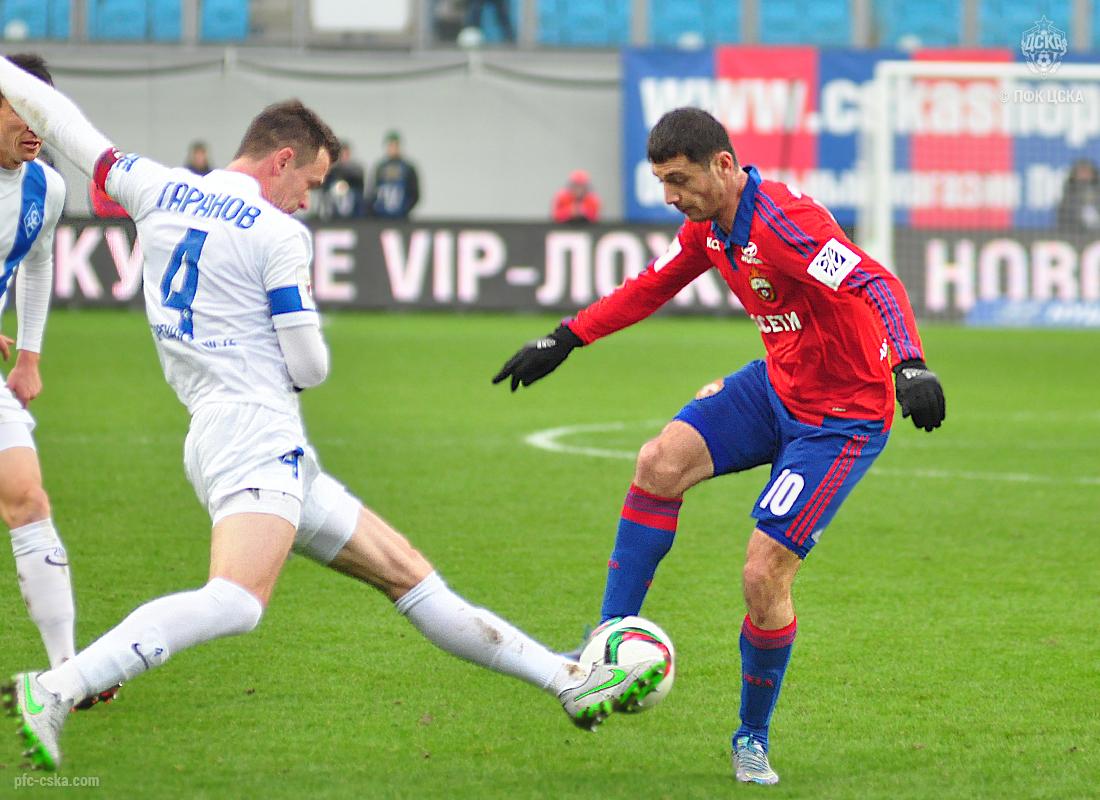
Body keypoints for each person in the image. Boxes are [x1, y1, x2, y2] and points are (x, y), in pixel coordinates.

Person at [0, 62, 666, 771]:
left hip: (224, 431)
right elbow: (310, 365)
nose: (306, 201)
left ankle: (567, 680)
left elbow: (64, 123)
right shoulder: (277, 233)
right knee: (236, 600)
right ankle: (56, 686)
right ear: (282, 160)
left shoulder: (154, 186)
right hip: (255, 431)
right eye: (311, 183)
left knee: (410, 578)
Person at [493, 107, 946, 785]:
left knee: (763, 576)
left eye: (679, 180)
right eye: (662, 182)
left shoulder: (784, 222)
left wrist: (910, 363)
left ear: (724, 166)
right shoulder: (710, 230)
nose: (671, 196)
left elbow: (875, 280)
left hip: (842, 418)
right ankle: (608, 645)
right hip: (777, 387)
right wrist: (566, 337)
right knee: (658, 463)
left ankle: (750, 738)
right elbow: (650, 286)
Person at [0, 53, 84, 696]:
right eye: (23, 111)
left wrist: (30, 354)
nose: (36, 128)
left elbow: (36, 261)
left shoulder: (45, 188)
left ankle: (67, 672)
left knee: (28, 500)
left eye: (43, 114)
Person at [367, 131, 419, 219]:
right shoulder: (380, 168)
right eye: (391, 145)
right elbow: (373, 191)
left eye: (396, 145)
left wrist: (405, 209)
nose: (393, 148)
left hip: (401, 217)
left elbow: (415, 194)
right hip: (381, 217)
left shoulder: (408, 168)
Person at [320, 139, 365, 219]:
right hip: (335, 195)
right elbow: (325, 185)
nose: (344, 157)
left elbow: (360, 186)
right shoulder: (333, 169)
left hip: (350, 196)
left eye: (346, 154)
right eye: (343, 154)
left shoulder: (356, 169)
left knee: (351, 195)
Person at [1056, 158, 1100, 232]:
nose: (1084, 175)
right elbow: (1063, 222)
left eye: (1087, 172)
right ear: (1074, 174)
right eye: (1081, 172)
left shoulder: (1097, 190)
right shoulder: (1068, 197)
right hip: (1076, 234)